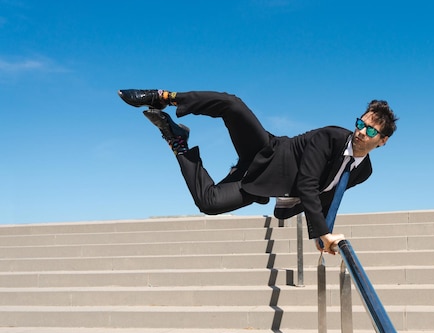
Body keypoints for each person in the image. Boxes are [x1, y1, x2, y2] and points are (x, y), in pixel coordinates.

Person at [118, 89, 397, 254]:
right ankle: (164, 97)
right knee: (232, 106)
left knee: (209, 202)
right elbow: (309, 182)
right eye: (361, 123)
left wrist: (319, 234)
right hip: (269, 152)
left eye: (371, 130)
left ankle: (177, 141)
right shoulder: (332, 137)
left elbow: (329, 193)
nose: (361, 131)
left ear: (382, 141)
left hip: (266, 183)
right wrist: (323, 233)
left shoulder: (364, 171)